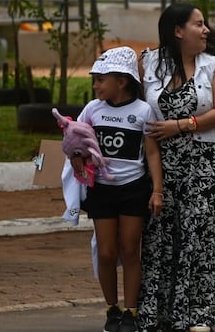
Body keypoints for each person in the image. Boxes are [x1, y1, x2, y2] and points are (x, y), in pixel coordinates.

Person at [66, 46, 163, 332]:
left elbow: (153, 154)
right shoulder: (92, 110)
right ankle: (112, 309)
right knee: (106, 252)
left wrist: (157, 190)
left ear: (122, 80)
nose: (95, 85)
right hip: (103, 192)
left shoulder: (143, 110)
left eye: (101, 79)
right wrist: (76, 159)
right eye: (94, 79)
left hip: (134, 189)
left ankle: (131, 312)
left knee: (131, 249)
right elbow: (75, 143)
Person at [138, 3, 215, 332]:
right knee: (161, 237)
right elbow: (138, 108)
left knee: (199, 237)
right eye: (199, 24)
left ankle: (200, 315)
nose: (206, 29)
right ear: (178, 31)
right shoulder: (149, 62)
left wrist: (182, 125)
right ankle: (160, 314)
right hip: (160, 166)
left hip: (202, 165)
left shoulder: (211, 65)